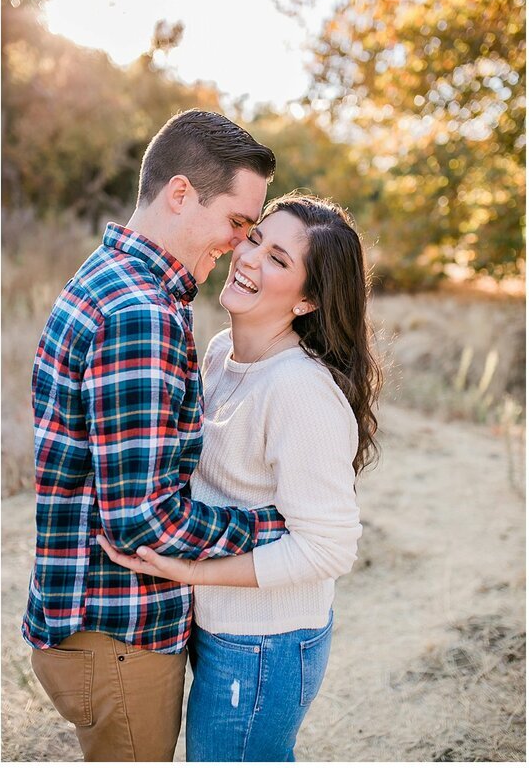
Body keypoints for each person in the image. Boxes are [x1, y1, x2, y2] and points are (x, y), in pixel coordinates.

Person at [24, 109, 288, 761]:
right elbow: (142, 521)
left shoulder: (107, 279)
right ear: (179, 193)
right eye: (236, 222)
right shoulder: (142, 313)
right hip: (119, 638)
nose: (239, 246)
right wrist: (275, 525)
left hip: (90, 628)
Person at [99, 192, 382, 761]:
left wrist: (187, 569)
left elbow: (328, 549)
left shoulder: (299, 391)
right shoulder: (223, 352)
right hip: (220, 626)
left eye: (279, 259)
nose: (249, 258)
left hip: (264, 644)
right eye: (254, 239)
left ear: (307, 300)